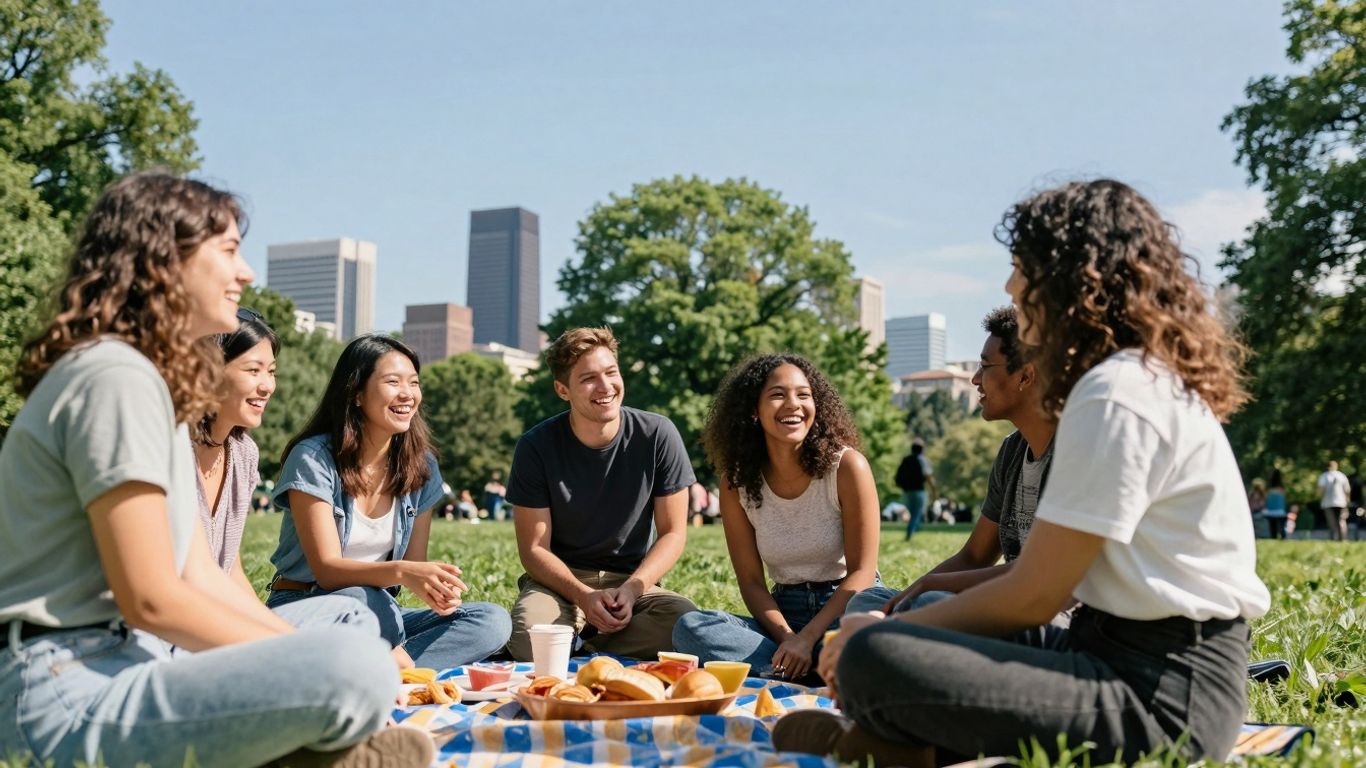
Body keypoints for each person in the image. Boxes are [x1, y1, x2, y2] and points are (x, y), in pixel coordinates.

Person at [777, 180, 1271, 766]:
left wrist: (883, 636)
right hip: (1111, 649)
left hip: (1163, 702)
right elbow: (1035, 587)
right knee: (915, 632)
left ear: (1072, 278)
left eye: (1021, 271)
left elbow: (1035, 593)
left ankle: (893, 747)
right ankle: (895, 749)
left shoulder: (1116, 394)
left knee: (873, 658)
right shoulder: (1125, 382)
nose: (1011, 289)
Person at [0, 173, 431, 767]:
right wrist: (306, 662)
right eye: (228, 251)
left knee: (348, 645)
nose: (247, 273)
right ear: (165, 261)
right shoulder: (114, 377)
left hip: (123, 664)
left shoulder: (152, 394)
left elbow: (202, 576)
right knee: (353, 665)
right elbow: (151, 601)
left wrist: (300, 655)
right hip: (63, 687)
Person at [265, 334, 512, 670]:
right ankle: (391, 663)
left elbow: (414, 565)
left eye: (414, 382)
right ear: (355, 393)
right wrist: (402, 572)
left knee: (492, 620)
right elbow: (327, 570)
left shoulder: (421, 465)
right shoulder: (314, 457)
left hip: (381, 614)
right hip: (305, 602)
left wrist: (433, 588)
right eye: (392, 382)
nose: (408, 393)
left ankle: (394, 667)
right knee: (367, 601)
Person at [671, 354, 882, 682]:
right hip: (784, 614)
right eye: (777, 395)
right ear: (754, 410)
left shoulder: (847, 467)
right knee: (691, 628)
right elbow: (752, 582)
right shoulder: (736, 482)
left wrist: (808, 638)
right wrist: (788, 639)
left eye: (803, 394)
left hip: (846, 605)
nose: (793, 404)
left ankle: (795, 667)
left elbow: (863, 572)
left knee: (882, 619)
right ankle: (821, 667)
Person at [847, 307, 1057, 618]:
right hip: (1002, 600)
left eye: (985, 366)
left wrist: (929, 588)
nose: (975, 379)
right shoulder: (1013, 451)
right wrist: (900, 600)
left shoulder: (1073, 453)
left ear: (1025, 376)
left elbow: (1045, 576)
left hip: (1042, 613)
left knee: (922, 606)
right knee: (867, 601)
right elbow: (974, 556)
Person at [505, 326, 698, 661]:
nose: (606, 387)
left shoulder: (658, 434)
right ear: (562, 389)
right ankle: (575, 638)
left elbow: (673, 533)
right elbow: (534, 549)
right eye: (588, 378)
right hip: (561, 581)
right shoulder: (536, 447)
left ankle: (583, 645)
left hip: (632, 581)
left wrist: (633, 589)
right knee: (527, 641)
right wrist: (582, 596)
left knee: (690, 626)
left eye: (611, 372)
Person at [193, 309, 379, 633]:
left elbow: (230, 569)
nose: (267, 386)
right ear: (208, 371)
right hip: (179, 625)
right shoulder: (168, 449)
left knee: (354, 613)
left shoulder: (242, 454)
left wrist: (274, 634)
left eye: (272, 372)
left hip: (224, 618)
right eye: (253, 370)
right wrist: (275, 638)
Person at [895, 441, 936, 540]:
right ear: (922, 450)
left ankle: (915, 527)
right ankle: (911, 531)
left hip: (907, 491)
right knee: (917, 512)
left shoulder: (906, 460)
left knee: (912, 512)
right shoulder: (922, 460)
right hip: (919, 490)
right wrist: (934, 489)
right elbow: (928, 476)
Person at [1318, 460, 1351, 541]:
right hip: (1341, 502)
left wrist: (1320, 497)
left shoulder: (1324, 476)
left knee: (1331, 522)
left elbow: (1322, 489)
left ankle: (1333, 538)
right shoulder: (1342, 476)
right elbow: (1347, 490)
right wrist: (1347, 502)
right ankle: (1343, 538)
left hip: (1328, 502)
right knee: (1341, 521)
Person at [1264, 470, 1289, 540]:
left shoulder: (1268, 488)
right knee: (1281, 527)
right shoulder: (1282, 488)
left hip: (1270, 511)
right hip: (1280, 511)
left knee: (1272, 527)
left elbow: (1266, 498)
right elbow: (1284, 498)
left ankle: (1273, 538)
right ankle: (1283, 538)